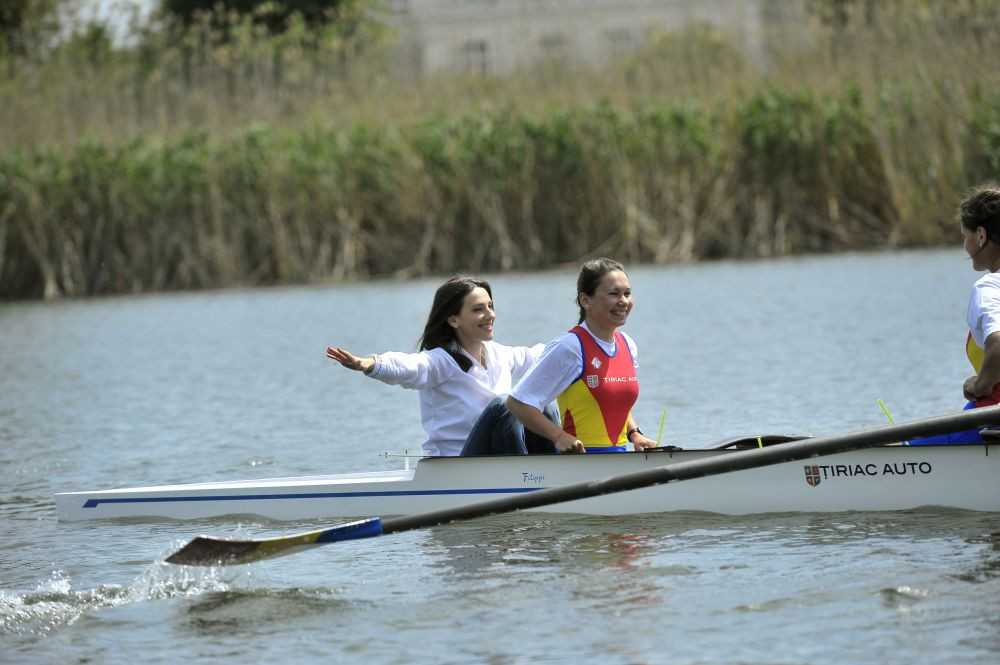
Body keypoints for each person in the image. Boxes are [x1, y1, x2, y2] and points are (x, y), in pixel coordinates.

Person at [326, 276, 553, 457]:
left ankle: (551, 466)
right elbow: (407, 366)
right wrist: (370, 364)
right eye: (478, 309)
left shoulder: (500, 354)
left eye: (490, 306)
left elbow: (545, 356)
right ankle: (523, 474)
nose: (490, 315)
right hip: (456, 464)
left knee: (541, 399)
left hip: (494, 460)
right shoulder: (440, 360)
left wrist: (576, 342)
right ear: (454, 320)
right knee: (505, 403)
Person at [502, 258, 659, 453]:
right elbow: (517, 403)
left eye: (627, 293)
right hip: (580, 461)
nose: (624, 301)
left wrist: (634, 434)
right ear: (585, 300)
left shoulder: (628, 344)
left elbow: (615, 403)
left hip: (618, 457)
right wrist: (558, 437)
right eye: (614, 294)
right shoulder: (570, 347)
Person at [914, 184, 1000, 444]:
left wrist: (980, 385)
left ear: (981, 235)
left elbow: (998, 343)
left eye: (965, 236)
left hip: (991, 420)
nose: (965, 244)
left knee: (910, 447)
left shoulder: (990, 288)